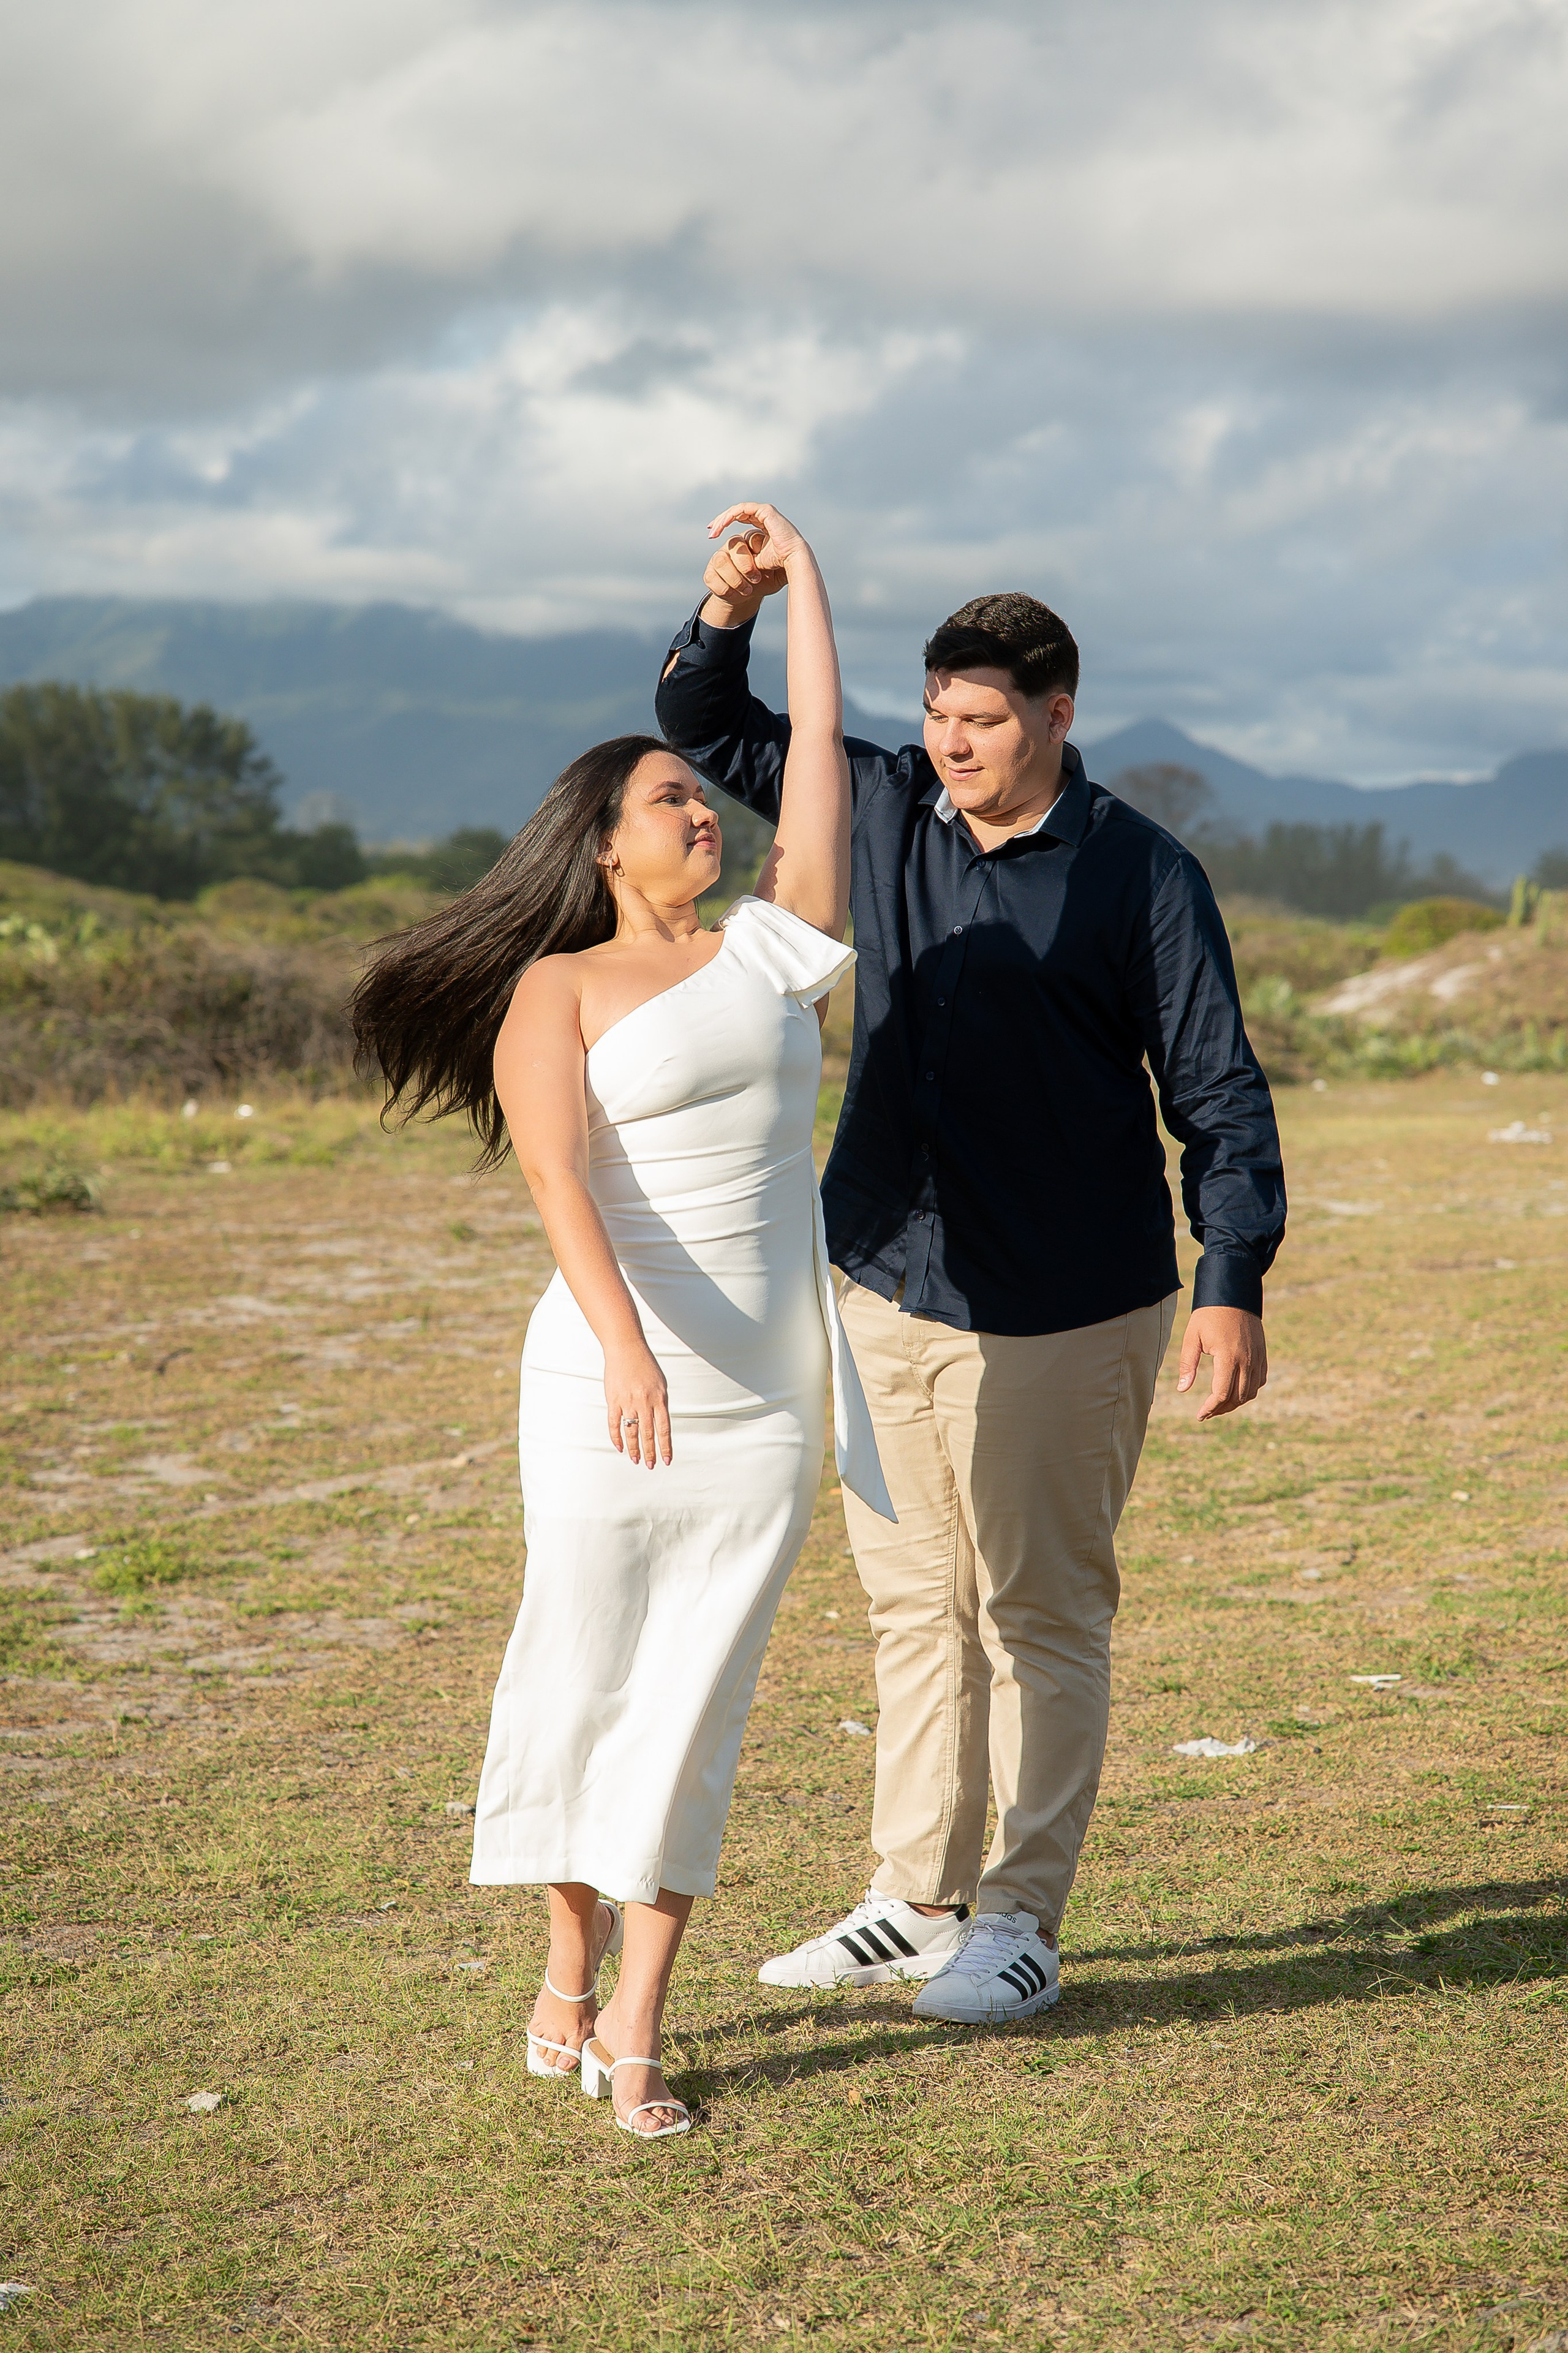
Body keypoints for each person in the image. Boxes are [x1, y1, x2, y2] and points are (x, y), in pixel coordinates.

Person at [655, 536, 1287, 2023]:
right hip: (881, 1272)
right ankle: (913, 1898)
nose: (951, 742)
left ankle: (1019, 1918)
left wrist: (1230, 1276)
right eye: (938, 712)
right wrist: (730, 608)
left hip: (1067, 1298)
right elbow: (707, 724)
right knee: (910, 1607)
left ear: (1057, 713)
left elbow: (1214, 1090)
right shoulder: (878, 801)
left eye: (983, 719)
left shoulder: (1140, 870)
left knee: (1038, 1613)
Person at [352, 503, 891, 2140]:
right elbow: (556, 1174)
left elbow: (817, 777)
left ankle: (640, 2022)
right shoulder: (558, 989)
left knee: (699, 1699)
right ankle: (566, 1966)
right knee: (584, 1671)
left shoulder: (768, 951)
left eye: (701, 795)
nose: (702, 810)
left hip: (768, 1393)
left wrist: (799, 585)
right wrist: (628, 1347)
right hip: (604, 1380)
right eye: (670, 798)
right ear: (601, 844)